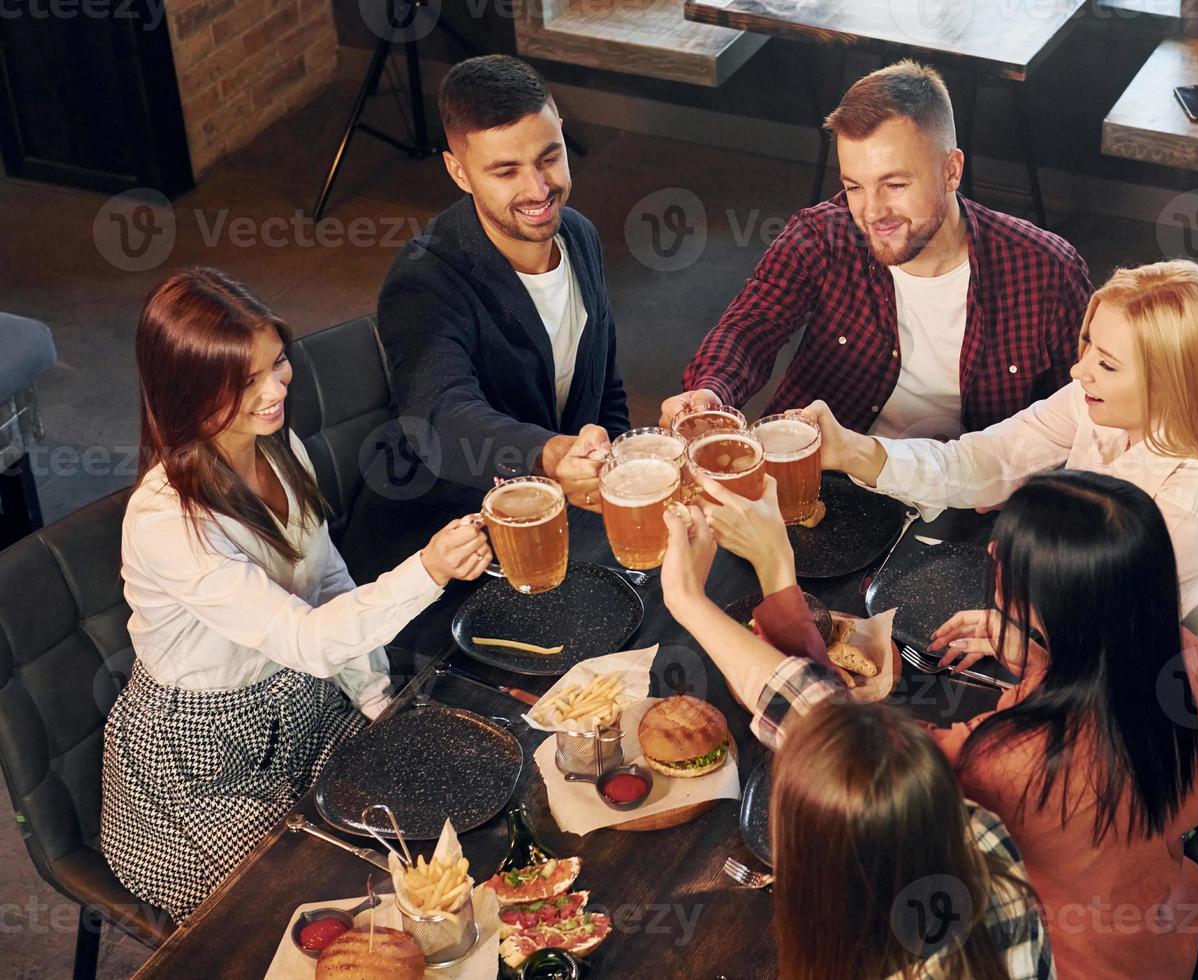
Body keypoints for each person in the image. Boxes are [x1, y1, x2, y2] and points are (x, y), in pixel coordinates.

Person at [667, 468, 1198, 979]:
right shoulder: (1185, 665)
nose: (990, 555)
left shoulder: (1015, 764)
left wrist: (718, 590)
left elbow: (842, 740)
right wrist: (1038, 646)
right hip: (1158, 930)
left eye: (1004, 571)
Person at [101, 269, 492, 920]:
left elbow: (328, 583)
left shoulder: (280, 451)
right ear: (185, 391)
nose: (275, 389)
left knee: (423, 843)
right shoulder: (166, 520)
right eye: (244, 382)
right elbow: (307, 638)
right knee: (317, 910)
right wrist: (428, 570)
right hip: (201, 758)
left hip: (303, 705)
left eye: (276, 363)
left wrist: (374, 699)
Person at [804, 259, 1198, 671]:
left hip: (1168, 692)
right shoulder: (1100, 401)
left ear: (1174, 385)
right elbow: (986, 458)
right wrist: (853, 450)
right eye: (1090, 347)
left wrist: (1025, 628)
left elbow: (1111, 641)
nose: (1080, 370)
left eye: (1108, 364)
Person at [659, 510, 1054, 980]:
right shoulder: (985, 840)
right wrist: (695, 600)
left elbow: (820, 718)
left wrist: (698, 598)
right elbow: (818, 716)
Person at [661, 59, 1092, 442]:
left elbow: (1083, 411)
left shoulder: (1048, 270)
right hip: (829, 479)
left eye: (895, 184)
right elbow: (752, 325)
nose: (872, 212)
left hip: (969, 495)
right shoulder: (820, 237)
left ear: (951, 170)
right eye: (854, 187)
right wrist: (711, 389)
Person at [343, 55, 628, 578]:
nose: (539, 191)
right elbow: (441, 417)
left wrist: (616, 477)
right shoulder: (423, 277)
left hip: (557, 524)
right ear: (459, 171)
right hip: (447, 550)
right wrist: (550, 454)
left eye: (549, 158)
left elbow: (603, 387)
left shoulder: (580, 236)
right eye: (506, 171)